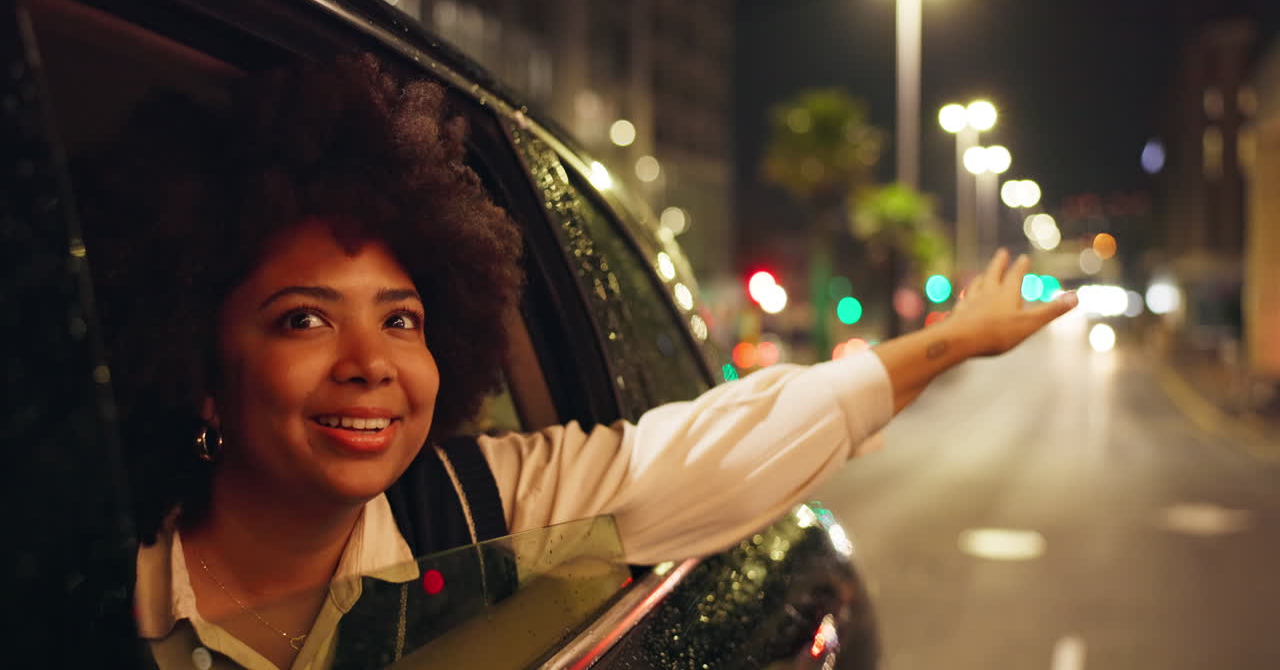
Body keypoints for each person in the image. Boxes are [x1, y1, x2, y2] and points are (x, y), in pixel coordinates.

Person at [81, 55, 1076, 669]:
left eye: (403, 320)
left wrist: (958, 340)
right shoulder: (88, 579)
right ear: (202, 365)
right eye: (303, 320)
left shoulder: (482, 508)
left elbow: (733, 449)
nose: (369, 364)